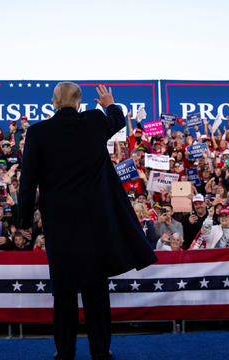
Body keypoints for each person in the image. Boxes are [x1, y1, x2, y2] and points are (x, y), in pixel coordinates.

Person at [18, 83, 157, 360]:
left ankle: (65, 352)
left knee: (64, 291)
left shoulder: (37, 132)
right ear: (80, 102)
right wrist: (108, 103)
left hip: (60, 224)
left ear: (54, 103)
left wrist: (23, 219)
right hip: (96, 222)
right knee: (96, 290)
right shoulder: (94, 121)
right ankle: (101, 352)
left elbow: (27, 181)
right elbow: (117, 119)